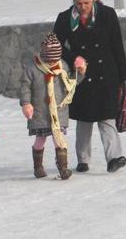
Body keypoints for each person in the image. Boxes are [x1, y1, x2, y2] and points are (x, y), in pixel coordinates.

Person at [53, 0, 126, 173]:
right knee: (85, 119)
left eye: (86, 3)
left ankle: (114, 158)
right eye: (78, 3)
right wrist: (73, 58)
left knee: (107, 117)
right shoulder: (64, 19)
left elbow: (117, 45)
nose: (82, 7)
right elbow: (55, 46)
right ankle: (83, 160)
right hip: (81, 75)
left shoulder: (107, 14)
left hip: (106, 73)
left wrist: (123, 77)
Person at [20, 32, 85, 180]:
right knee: (40, 140)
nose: (52, 64)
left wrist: (80, 72)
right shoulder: (32, 68)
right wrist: (26, 103)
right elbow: (25, 87)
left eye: (55, 60)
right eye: (50, 60)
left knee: (58, 138)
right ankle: (38, 166)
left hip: (58, 111)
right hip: (39, 111)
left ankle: (63, 168)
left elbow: (71, 83)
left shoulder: (62, 65)